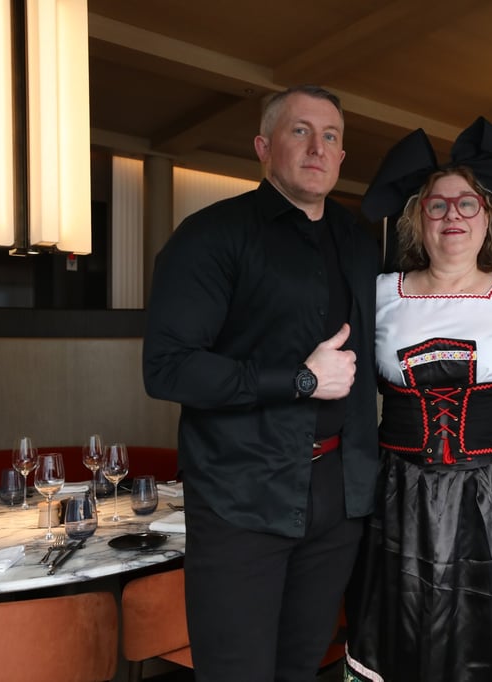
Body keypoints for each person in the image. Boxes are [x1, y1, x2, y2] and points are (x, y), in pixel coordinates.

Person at [142, 85, 379, 681]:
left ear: (342, 156)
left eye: (330, 136)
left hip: (338, 500)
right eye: (300, 131)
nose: (317, 147)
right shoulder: (210, 235)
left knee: (302, 669)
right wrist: (301, 379)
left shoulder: (359, 243)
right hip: (239, 498)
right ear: (263, 146)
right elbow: (167, 367)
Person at [343, 118, 492, 682]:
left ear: (488, 218)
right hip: (399, 491)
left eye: (466, 203)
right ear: (418, 220)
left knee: (487, 623)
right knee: (406, 622)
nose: (452, 214)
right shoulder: (381, 294)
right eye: (437, 205)